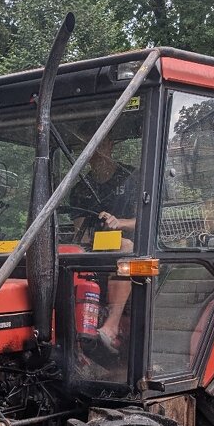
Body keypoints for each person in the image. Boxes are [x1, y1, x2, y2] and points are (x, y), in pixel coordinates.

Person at [73, 134, 138, 354]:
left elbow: (150, 221)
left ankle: (111, 326)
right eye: (87, 145)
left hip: (137, 247)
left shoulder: (133, 178)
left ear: (110, 145)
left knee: (124, 247)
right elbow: (79, 230)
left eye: (98, 143)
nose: (93, 150)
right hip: (94, 246)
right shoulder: (80, 188)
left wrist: (120, 223)